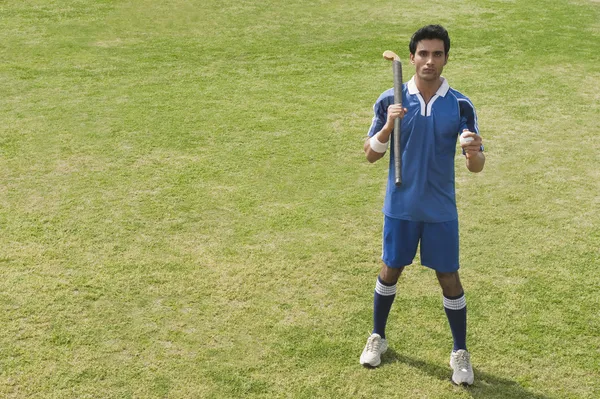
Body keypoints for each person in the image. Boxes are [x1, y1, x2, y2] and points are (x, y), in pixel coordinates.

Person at [359, 24, 485, 386]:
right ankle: (377, 337)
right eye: (423, 53)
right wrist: (387, 128)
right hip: (400, 205)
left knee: (449, 278)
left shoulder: (460, 104)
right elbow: (369, 154)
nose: (430, 61)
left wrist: (473, 152)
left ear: (446, 58)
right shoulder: (390, 99)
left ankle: (460, 352)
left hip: (440, 210)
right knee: (390, 270)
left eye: (438, 54)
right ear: (412, 56)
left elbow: (475, 165)